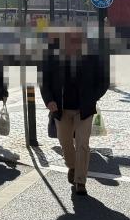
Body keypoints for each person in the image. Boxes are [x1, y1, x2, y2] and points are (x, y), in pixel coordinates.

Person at [39, 27, 106, 197]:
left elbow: (103, 80)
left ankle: (80, 181)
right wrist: (49, 100)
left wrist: (93, 97)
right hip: (61, 109)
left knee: (83, 144)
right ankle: (72, 166)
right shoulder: (53, 57)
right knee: (65, 142)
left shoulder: (92, 56)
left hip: (84, 109)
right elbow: (44, 81)